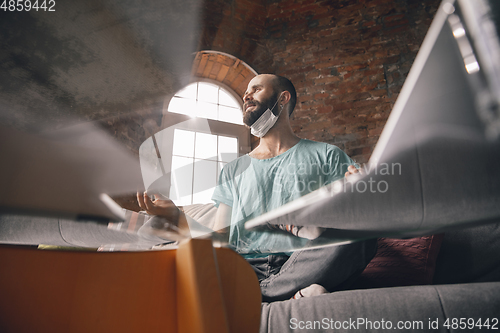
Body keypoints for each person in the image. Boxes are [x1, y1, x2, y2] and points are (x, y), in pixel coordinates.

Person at [137, 74, 376, 301]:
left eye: (256, 89)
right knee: (168, 254)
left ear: (283, 98)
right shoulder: (232, 170)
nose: (246, 96)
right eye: (244, 93)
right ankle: (287, 295)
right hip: (244, 266)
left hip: (302, 260)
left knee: (361, 234)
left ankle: (258, 295)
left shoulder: (327, 155)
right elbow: (222, 237)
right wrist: (177, 216)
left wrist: (360, 190)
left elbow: (355, 209)